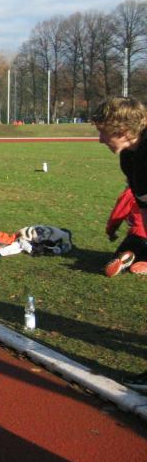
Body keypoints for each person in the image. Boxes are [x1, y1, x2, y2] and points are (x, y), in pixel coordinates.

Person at [91, 97, 147, 392]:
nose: (100, 140)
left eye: (104, 132)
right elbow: (144, 205)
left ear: (123, 130)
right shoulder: (130, 158)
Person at [104, 186, 147, 277]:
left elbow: (117, 215)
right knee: (141, 254)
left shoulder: (132, 191)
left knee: (126, 253)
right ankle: (143, 261)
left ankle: (123, 259)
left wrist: (111, 231)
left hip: (138, 235)